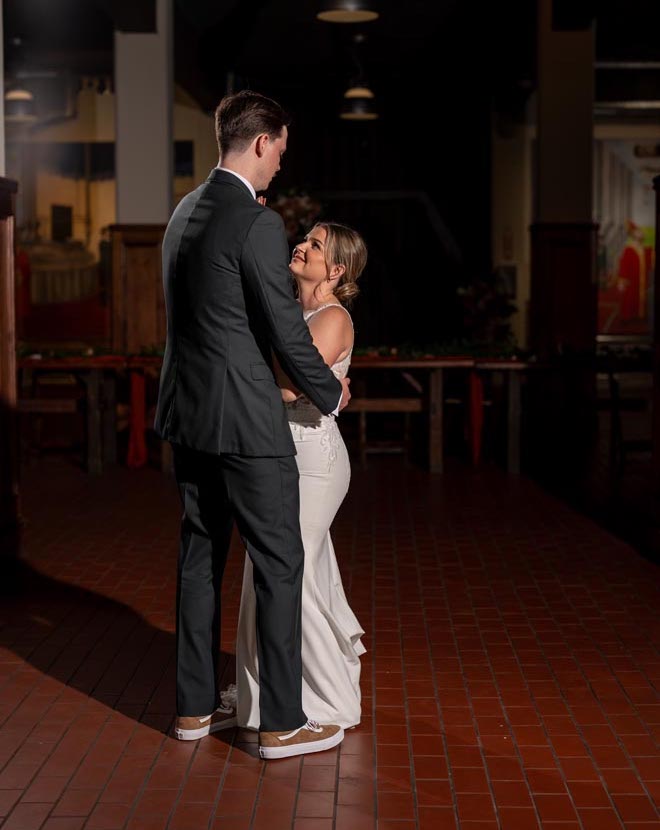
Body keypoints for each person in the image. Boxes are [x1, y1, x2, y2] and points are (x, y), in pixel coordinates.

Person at [154, 90, 352, 761]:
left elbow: (202, 319)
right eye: (280, 153)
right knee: (278, 562)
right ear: (265, 141)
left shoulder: (185, 211)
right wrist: (330, 391)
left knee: (200, 556)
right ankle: (280, 724)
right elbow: (283, 332)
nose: (278, 168)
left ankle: (191, 709)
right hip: (246, 417)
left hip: (188, 411)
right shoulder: (258, 223)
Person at [229, 221, 367, 732]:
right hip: (276, 451)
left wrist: (252, 369)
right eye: (304, 238)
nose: (301, 246)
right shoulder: (291, 310)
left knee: (293, 572)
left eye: (314, 245)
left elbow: (291, 385)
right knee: (264, 570)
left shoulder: (333, 318)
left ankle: (328, 696)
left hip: (314, 461)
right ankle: (263, 694)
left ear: (336, 270)